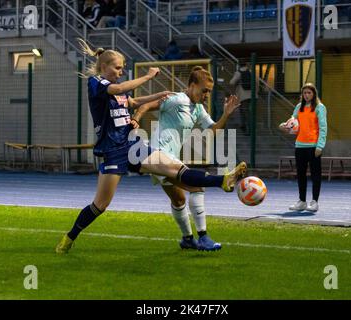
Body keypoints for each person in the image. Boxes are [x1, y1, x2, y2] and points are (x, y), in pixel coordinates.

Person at [55, 40, 247, 254]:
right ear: (103, 67)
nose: (121, 71)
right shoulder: (96, 83)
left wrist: (157, 94)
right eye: (118, 68)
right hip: (112, 152)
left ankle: (222, 180)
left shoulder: (118, 92)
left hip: (132, 146)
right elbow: (118, 88)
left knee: (178, 171)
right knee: (100, 205)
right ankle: (69, 237)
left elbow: (134, 102)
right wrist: (147, 77)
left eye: (122, 68)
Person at [132, 66, 241, 251]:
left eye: (209, 92)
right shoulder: (176, 99)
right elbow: (146, 105)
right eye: (204, 90)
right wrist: (136, 119)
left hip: (166, 159)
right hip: (159, 154)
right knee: (197, 187)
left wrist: (226, 114)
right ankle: (204, 237)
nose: (206, 95)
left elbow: (212, 131)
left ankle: (188, 239)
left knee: (179, 200)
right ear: (192, 85)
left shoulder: (198, 109)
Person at [279, 83, 327, 212]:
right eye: (305, 93)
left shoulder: (319, 108)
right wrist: (283, 125)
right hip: (300, 146)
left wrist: (320, 146)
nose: (307, 95)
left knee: (316, 174)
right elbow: (291, 122)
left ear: (314, 94)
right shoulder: (299, 107)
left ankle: (315, 202)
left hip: (314, 147)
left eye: (309, 93)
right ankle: (302, 201)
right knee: (301, 174)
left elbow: (323, 128)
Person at [229, 63, 252, 134]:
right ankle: (243, 125)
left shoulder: (238, 73)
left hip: (242, 96)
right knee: (245, 111)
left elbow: (231, 82)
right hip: (251, 95)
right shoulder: (250, 72)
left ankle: (248, 129)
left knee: (244, 112)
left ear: (239, 65)